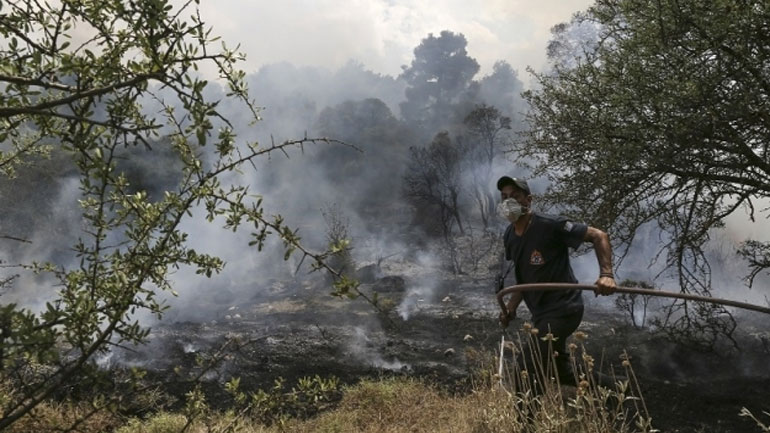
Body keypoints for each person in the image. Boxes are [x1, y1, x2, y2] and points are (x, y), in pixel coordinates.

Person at [496, 175, 617, 386]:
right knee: (559, 371)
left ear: (528, 200)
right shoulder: (510, 235)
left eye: (515, 196)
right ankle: (616, 390)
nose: (509, 202)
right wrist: (511, 308)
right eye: (504, 197)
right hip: (541, 313)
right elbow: (524, 277)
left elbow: (599, 236)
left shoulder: (550, 225)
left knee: (528, 366)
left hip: (564, 308)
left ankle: (527, 420)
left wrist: (606, 275)